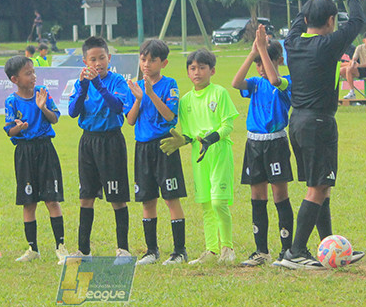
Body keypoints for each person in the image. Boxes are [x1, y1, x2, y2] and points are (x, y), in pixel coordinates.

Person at [276, 0, 366, 270]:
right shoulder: (327, 45)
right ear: (330, 20)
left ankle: (331, 246)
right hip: (318, 123)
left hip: (298, 121)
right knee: (318, 187)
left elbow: (302, 16)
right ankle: (296, 251)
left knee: (321, 185)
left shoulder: (293, 43)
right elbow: (358, 21)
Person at [160, 48, 239, 265]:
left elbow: (228, 125)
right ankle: (211, 251)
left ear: (212, 71)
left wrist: (211, 138)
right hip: (199, 156)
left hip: (218, 152)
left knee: (218, 202)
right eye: (192, 68)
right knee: (205, 204)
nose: (197, 72)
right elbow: (188, 133)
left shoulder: (219, 93)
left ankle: (227, 248)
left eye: (202, 68)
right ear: (187, 72)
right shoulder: (185, 101)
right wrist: (182, 140)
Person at [230, 24, 294, 266]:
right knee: (257, 195)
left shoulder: (284, 82)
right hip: (254, 144)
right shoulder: (255, 83)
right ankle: (261, 251)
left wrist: (263, 51)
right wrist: (253, 52)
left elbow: (275, 78)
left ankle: (286, 249)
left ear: (278, 59)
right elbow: (236, 83)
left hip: (276, 142)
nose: (260, 67)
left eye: (264, 61)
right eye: (258, 63)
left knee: (280, 195)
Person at [67, 35, 134, 260]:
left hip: (111, 141)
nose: (98, 63)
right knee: (86, 196)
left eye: (102, 58)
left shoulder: (117, 82)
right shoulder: (81, 83)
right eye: (92, 59)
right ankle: (83, 250)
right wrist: (85, 87)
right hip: (88, 142)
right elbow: (73, 112)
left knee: (117, 198)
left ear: (109, 58)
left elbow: (117, 108)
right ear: (85, 62)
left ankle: (123, 249)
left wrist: (99, 85)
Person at [2, 56, 68, 263]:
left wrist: (43, 107)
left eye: (33, 72)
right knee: (28, 202)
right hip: (24, 153)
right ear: (15, 79)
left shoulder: (42, 93)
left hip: (45, 150)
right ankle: (32, 249)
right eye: (28, 73)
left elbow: (55, 118)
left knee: (52, 200)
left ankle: (61, 246)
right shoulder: (11, 101)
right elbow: (9, 132)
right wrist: (18, 128)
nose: (33, 76)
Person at [126, 39, 185, 265]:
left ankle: (179, 251)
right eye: (143, 59)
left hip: (164, 146)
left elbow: (170, 116)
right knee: (147, 200)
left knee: (171, 198)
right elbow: (130, 121)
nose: (146, 64)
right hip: (142, 148)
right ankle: (152, 251)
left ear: (164, 63)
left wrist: (151, 94)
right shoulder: (136, 86)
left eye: (152, 60)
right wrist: (139, 99)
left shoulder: (169, 84)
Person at [341, 31, 366, 99]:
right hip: (362, 69)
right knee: (347, 69)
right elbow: (354, 59)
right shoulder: (359, 48)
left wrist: (359, 65)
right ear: (364, 40)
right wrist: (353, 64)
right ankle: (352, 92)